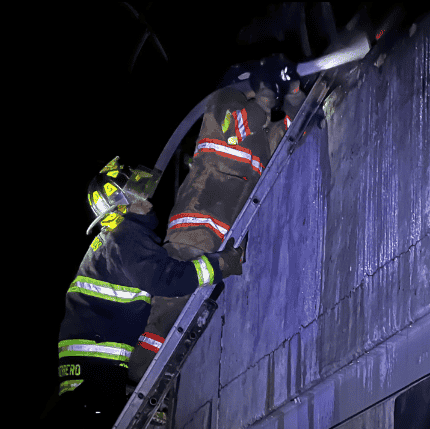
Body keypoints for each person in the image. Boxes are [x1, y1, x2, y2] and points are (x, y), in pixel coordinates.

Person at [33, 157, 245, 429]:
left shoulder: (112, 240)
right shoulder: (125, 236)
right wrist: (223, 264)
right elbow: (169, 279)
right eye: (137, 194)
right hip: (97, 361)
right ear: (119, 204)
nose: (147, 200)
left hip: (87, 360)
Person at [127, 55, 307, 385]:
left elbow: (289, 133)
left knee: (186, 313)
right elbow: (239, 124)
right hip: (195, 226)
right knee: (168, 309)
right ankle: (135, 379)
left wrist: (293, 90)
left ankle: (157, 382)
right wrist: (268, 89)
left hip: (222, 236)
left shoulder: (260, 127)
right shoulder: (225, 103)